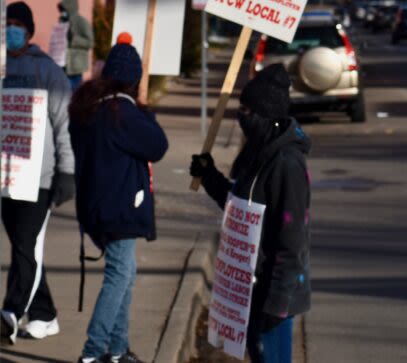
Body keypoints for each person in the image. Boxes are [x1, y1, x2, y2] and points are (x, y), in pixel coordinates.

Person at [0, 1, 75, 343]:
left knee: (26, 246)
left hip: (39, 178)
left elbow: (65, 126)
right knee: (24, 248)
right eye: (5, 23)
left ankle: (10, 312)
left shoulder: (48, 73)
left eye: (17, 24)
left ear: (29, 30)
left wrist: (67, 171)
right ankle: (44, 314)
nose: (11, 29)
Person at [190, 64, 311, 363]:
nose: (240, 117)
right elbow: (241, 209)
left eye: (246, 110)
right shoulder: (258, 154)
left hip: (273, 294)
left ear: (265, 115)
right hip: (250, 286)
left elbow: (292, 241)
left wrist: (278, 301)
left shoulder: (286, 164)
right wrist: (210, 177)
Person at [70, 41, 168, 363]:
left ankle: (117, 349)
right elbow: (157, 145)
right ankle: (93, 351)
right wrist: (145, 111)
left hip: (95, 205)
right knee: (118, 275)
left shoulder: (90, 107)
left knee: (125, 272)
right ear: (133, 79)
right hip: (120, 207)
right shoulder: (121, 112)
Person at [58, 0, 94, 90]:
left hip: (76, 65)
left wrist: (74, 40)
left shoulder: (81, 22)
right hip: (63, 64)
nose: (62, 12)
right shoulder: (62, 22)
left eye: (64, 9)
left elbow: (90, 42)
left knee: (75, 91)